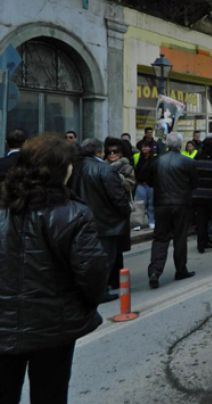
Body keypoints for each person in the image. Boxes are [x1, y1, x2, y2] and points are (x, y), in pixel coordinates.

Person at [0, 135, 109, 404]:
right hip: (54, 327)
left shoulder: (5, 208)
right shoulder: (74, 214)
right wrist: (80, 306)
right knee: (50, 395)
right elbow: (93, 275)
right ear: (62, 170)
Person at [71, 138, 131, 301]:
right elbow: (117, 197)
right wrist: (126, 210)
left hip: (80, 219)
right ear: (99, 151)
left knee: (85, 256)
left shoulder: (75, 168)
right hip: (105, 221)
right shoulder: (104, 170)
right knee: (105, 257)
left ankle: (88, 288)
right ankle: (100, 290)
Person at [147, 132, 198, 289]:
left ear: (168, 145)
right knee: (180, 237)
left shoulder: (157, 161)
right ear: (180, 145)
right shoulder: (188, 162)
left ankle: (155, 271)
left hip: (161, 203)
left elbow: (150, 181)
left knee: (160, 238)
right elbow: (194, 183)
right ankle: (181, 269)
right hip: (181, 204)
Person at [104, 137, 137, 282]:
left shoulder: (126, 167)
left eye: (115, 151)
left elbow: (130, 184)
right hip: (105, 210)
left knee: (118, 247)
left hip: (120, 209)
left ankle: (117, 278)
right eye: (109, 152)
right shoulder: (102, 166)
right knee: (108, 247)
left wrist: (118, 178)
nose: (112, 154)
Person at [134, 140, 157, 229]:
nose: (145, 148)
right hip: (141, 184)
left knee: (151, 204)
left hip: (151, 184)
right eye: (143, 146)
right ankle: (137, 223)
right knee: (139, 204)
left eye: (147, 146)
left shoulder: (155, 158)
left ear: (150, 148)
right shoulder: (137, 157)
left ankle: (151, 221)